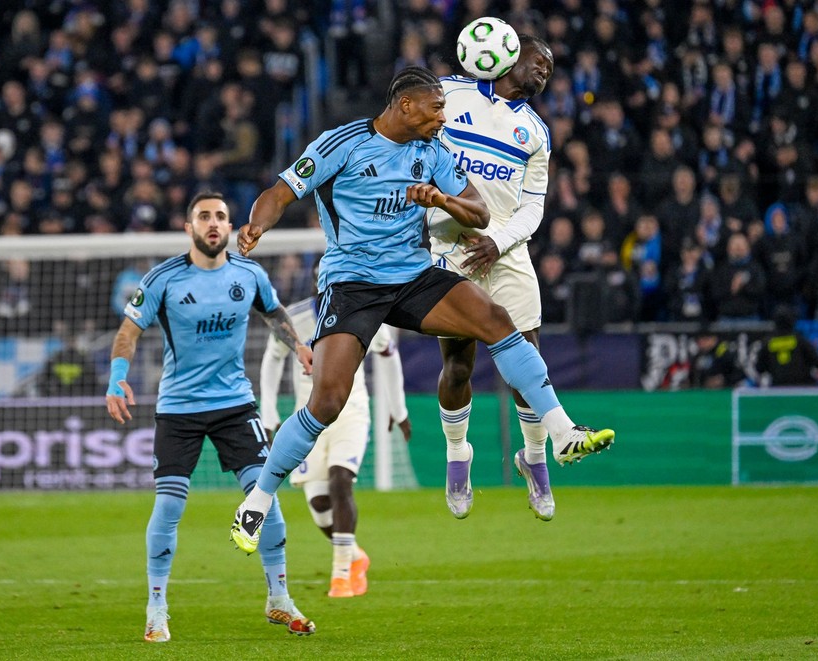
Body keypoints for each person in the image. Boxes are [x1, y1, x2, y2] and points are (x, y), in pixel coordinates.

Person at [228, 66, 615, 555]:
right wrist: (255, 226)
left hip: (414, 276)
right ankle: (258, 500)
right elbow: (279, 193)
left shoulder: (433, 152)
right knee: (327, 400)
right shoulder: (340, 144)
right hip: (352, 284)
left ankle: (560, 433)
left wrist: (443, 198)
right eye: (436, 108)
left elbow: (479, 212)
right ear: (405, 106)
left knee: (497, 321)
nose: (443, 116)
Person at [105, 191, 316, 642]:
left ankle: (279, 598)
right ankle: (156, 607)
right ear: (189, 228)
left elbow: (273, 311)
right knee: (169, 505)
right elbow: (129, 331)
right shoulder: (163, 279)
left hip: (235, 405)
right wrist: (116, 378)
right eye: (204, 217)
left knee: (266, 497)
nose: (214, 223)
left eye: (221, 216)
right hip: (178, 408)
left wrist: (297, 343)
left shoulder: (249, 273)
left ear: (230, 225)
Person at [429, 35, 583, 521]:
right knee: (458, 366)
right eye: (541, 61)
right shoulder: (450, 94)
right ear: (510, 56)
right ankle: (459, 456)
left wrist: (500, 241)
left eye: (552, 69)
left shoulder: (536, 131)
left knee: (528, 364)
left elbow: (534, 207)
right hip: (453, 247)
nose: (545, 72)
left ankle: (535, 461)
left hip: (507, 251)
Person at [261, 282, 411, 597]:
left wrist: (398, 408)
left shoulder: (362, 312)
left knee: (340, 481)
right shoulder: (297, 317)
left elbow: (387, 352)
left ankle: (341, 574)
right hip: (308, 418)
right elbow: (273, 356)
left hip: (351, 411)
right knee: (318, 505)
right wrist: (270, 413)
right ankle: (354, 555)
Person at [755, 305, 818, 387]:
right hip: (802, 387)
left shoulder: (767, 342)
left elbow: (759, 368)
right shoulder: (800, 340)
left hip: (778, 388)